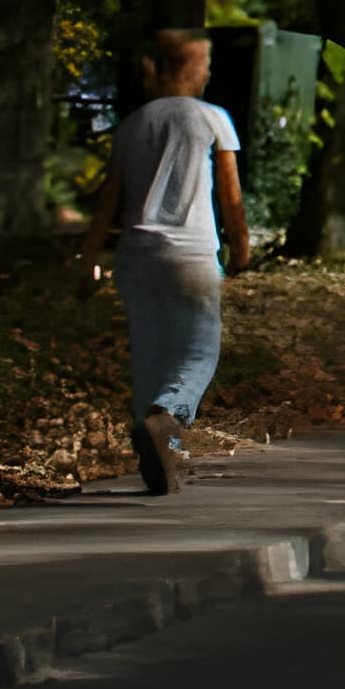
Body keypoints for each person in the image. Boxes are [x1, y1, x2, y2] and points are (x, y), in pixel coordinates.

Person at [95, 29, 249, 495]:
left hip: (136, 259)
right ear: (189, 68)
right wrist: (240, 248)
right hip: (191, 256)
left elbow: (109, 200)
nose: (209, 73)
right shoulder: (212, 118)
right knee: (198, 351)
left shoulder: (131, 124)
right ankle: (168, 421)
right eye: (206, 65)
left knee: (151, 354)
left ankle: (162, 455)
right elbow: (231, 196)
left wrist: (86, 256)